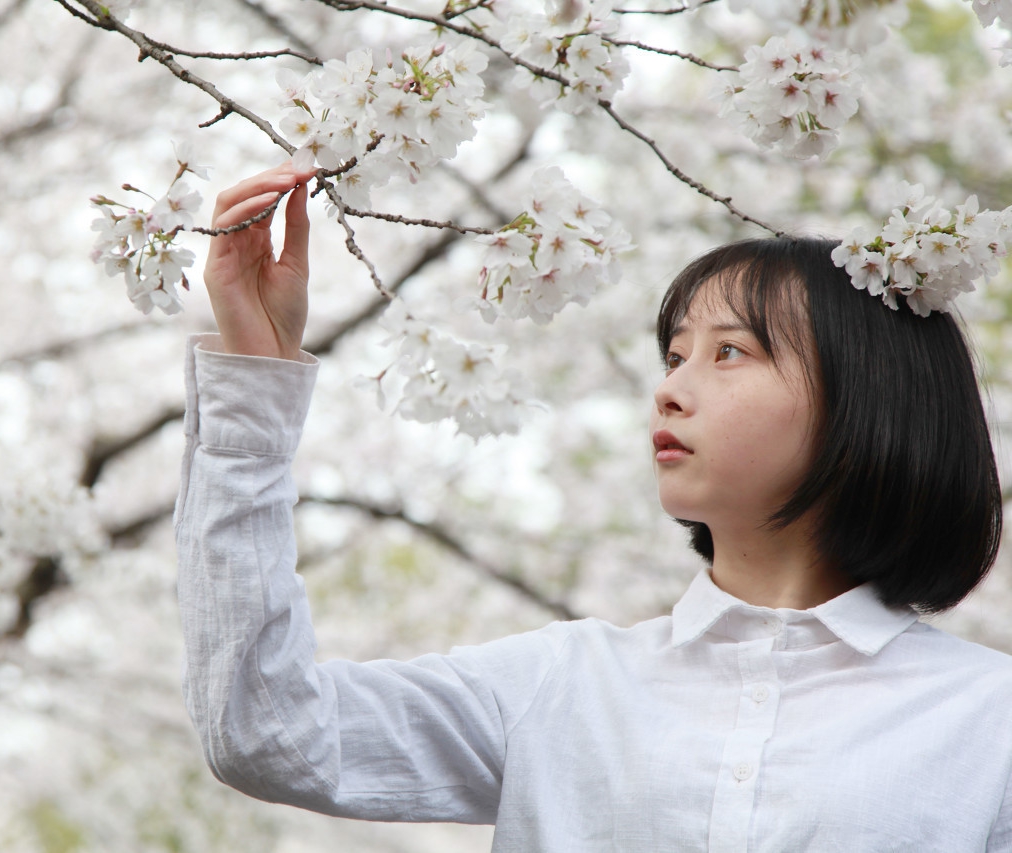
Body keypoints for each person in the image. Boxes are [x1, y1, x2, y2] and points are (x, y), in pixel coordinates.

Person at [175, 164, 1012, 850]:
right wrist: (257, 384)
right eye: (674, 353)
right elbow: (266, 729)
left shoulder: (985, 720)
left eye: (730, 353)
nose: (672, 389)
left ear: (868, 400)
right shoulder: (562, 683)